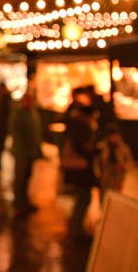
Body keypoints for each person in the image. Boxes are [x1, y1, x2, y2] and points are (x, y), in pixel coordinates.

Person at [62, 89, 98, 239]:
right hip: (80, 167)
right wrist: (91, 153)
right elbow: (81, 147)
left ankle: (75, 226)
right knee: (83, 197)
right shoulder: (81, 126)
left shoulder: (76, 123)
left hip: (77, 166)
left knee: (82, 196)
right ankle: (76, 229)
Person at [9, 90, 43, 216]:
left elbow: (35, 134)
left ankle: (24, 202)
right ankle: (19, 204)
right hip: (22, 152)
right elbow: (18, 135)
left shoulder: (32, 113)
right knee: (20, 179)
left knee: (27, 178)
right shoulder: (19, 114)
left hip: (31, 152)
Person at [95, 122, 134, 200]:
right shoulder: (101, 147)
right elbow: (96, 162)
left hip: (118, 178)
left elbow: (130, 162)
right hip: (104, 177)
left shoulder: (124, 148)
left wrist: (123, 166)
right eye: (112, 135)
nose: (115, 137)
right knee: (103, 198)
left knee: (116, 198)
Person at [0, 83, 12, 170]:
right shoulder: (2, 98)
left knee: (1, 145)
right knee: (0, 145)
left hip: (2, 126)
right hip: (0, 125)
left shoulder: (5, 99)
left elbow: (6, 113)